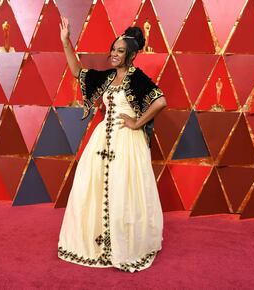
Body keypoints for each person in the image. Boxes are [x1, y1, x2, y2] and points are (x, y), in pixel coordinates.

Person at [58, 17, 167, 272]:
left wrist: (137, 123)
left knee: (124, 190)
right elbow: (78, 72)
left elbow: (160, 101)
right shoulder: (107, 77)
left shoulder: (137, 78)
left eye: (120, 51)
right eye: (113, 50)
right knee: (92, 188)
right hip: (101, 142)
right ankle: (98, 244)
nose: (114, 54)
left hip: (127, 144)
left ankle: (124, 245)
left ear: (131, 54)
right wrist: (66, 42)